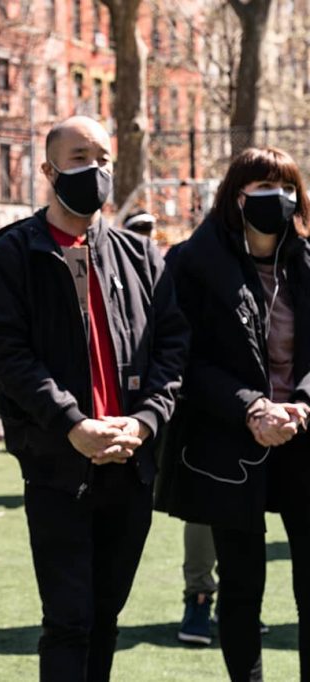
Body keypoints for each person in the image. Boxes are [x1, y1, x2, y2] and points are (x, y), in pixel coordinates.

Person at [0, 116, 189, 682]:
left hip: (131, 465)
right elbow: (4, 350)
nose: (92, 169)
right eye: (77, 157)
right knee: (69, 620)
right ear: (48, 170)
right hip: (57, 467)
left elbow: (173, 347)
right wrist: (72, 423)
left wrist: (144, 423)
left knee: (106, 616)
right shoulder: (15, 251)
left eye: (101, 157)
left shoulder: (141, 256)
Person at [159, 147, 310, 681]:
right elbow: (183, 359)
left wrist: (301, 404)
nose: (280, 200)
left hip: (302, 436)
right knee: (241, 587)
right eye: (264, 189)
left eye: (288, 188)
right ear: (235, 198)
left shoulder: (307, 262)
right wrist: (252, 408)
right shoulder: (191, 263)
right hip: (230, 441)